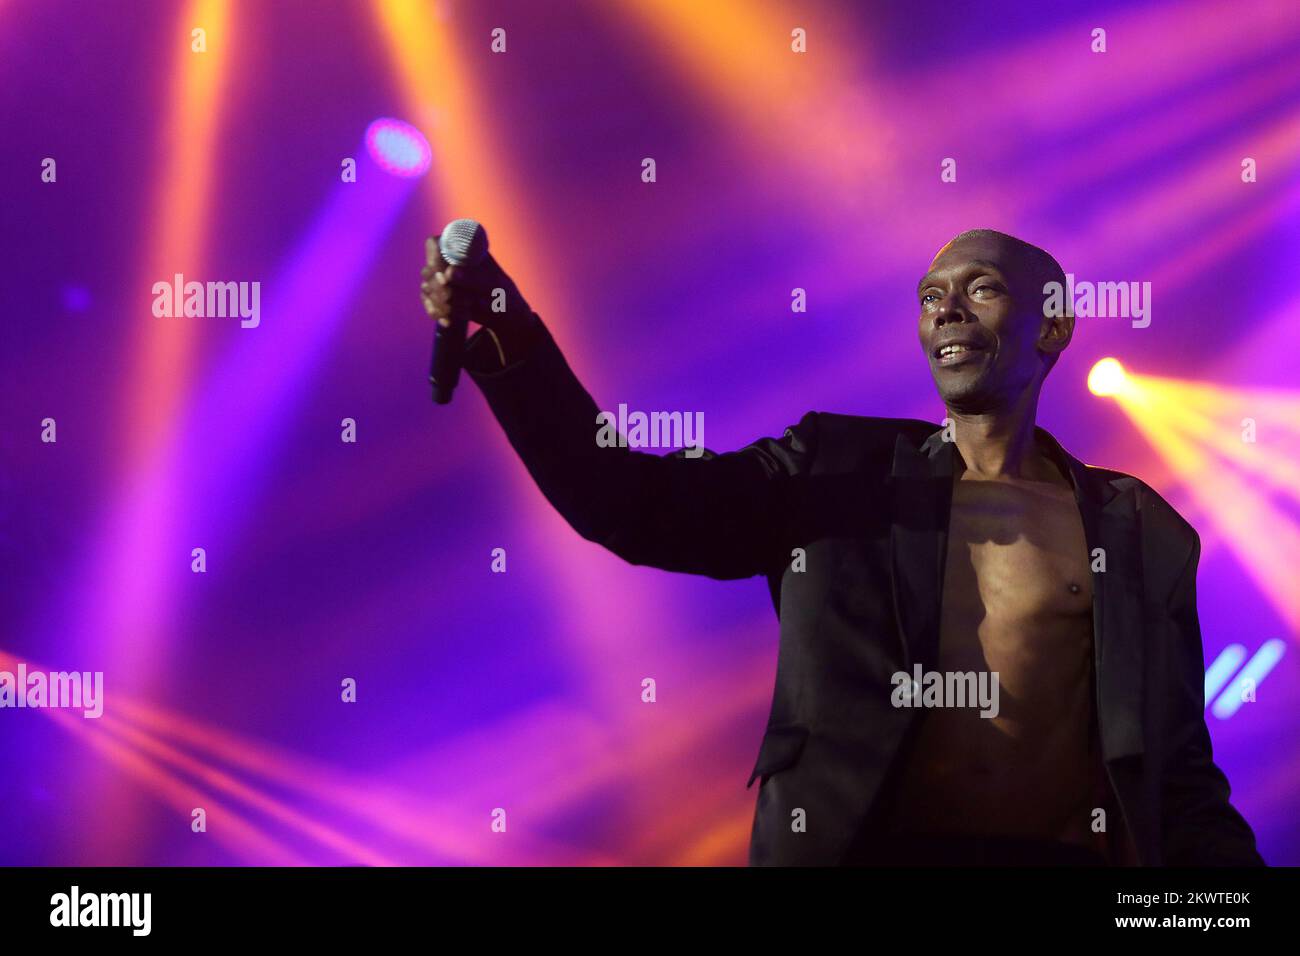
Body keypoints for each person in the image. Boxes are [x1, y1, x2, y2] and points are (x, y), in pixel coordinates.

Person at [419, 228, 1264, 866]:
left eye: (981, 289)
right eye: (932, 296)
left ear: (1052, 329)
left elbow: (1176, 769)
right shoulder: (837, 469)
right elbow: (631, 503)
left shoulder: (1139, 527)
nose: (948, 311)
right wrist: (510, 334)